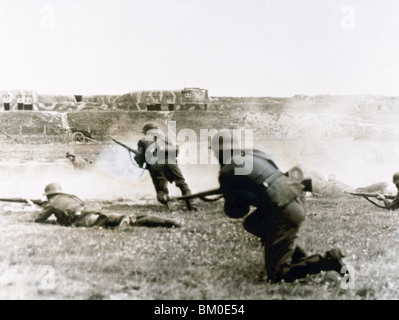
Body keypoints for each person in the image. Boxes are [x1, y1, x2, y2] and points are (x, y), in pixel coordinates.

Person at [211, 130, 346, 283]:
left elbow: (237, 211)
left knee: (278, 275)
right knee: (252, 224)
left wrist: (231, 194)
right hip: (296, 197)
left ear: (221, 152)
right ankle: (297, 257)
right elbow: (274, 177)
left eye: (216, 152)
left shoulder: (226, 172)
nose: (215, 156)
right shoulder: (255, 154)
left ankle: (328, 261)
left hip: (283, 210)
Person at [34, 183, 181, 229]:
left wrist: (39, 207)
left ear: (48, 195)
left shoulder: (52, 203)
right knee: (134, 218)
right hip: (90, 211)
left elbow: (39, 219)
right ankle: (169, 222)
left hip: (85, 218)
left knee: (107, 221)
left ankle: (122, 220)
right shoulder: (70, 196)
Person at [134, 122, 196, 211]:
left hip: (155, 164)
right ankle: (191, 205)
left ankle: (171, 206)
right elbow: (176, 151)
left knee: (161, 190)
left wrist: (140, 163)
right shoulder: (167, 138)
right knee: (182, 184)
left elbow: (139, 156)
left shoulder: (142, 140)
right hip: (171, 163)